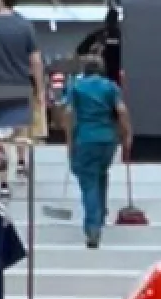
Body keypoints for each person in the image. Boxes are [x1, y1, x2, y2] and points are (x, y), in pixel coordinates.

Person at [0, 0, 47, 201]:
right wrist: (40, 90)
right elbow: (36, 61)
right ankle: (21, 163)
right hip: (21, 85)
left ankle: (3, 184)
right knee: (20, 128)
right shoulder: (25, 26)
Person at [61, 56, 133, 248]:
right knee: (101, 173)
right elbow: (121, 110)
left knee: (88, 181)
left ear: (84, 70)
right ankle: (100, 214)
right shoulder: (110, 86)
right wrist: (127, 135)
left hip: (85, 138)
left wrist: (69, 140)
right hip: (108, 139)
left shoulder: (76, 86)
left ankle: (93, 227)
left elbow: (68, 112)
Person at [77, 6, 123, 85]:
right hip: (113, 71)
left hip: (103, 72)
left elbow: (80, 50)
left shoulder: (98, 35)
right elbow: (80, 50)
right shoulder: (121, 36)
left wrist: (92, 53)